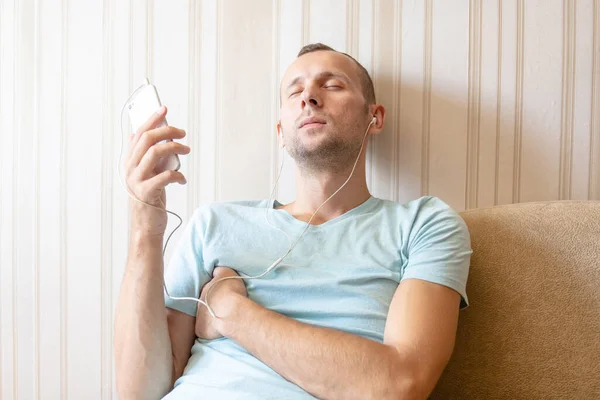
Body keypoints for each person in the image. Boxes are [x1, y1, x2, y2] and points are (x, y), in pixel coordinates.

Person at [114, 43, 472, 400]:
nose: (309, 98)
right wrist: (146, 227)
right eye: (295, 90)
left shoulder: (425, 225)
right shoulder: (215, 223)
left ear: (374, 117)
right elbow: (139, 392)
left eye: (332, 85)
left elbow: (399, 386)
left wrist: (231, 312)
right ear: (281, 132)